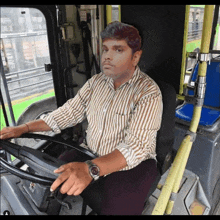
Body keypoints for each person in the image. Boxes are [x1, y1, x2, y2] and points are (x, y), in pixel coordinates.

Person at [0, 21, 163, 215]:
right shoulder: (96, 82)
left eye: (118, 50)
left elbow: (136, 147)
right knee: (51, 176)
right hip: (90, 152)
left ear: (135, 57)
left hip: (132, 164)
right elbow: (67, 114)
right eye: (105, 49)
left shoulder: (148, 93)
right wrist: (24, 128)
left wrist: (91, 169)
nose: (108, 57)